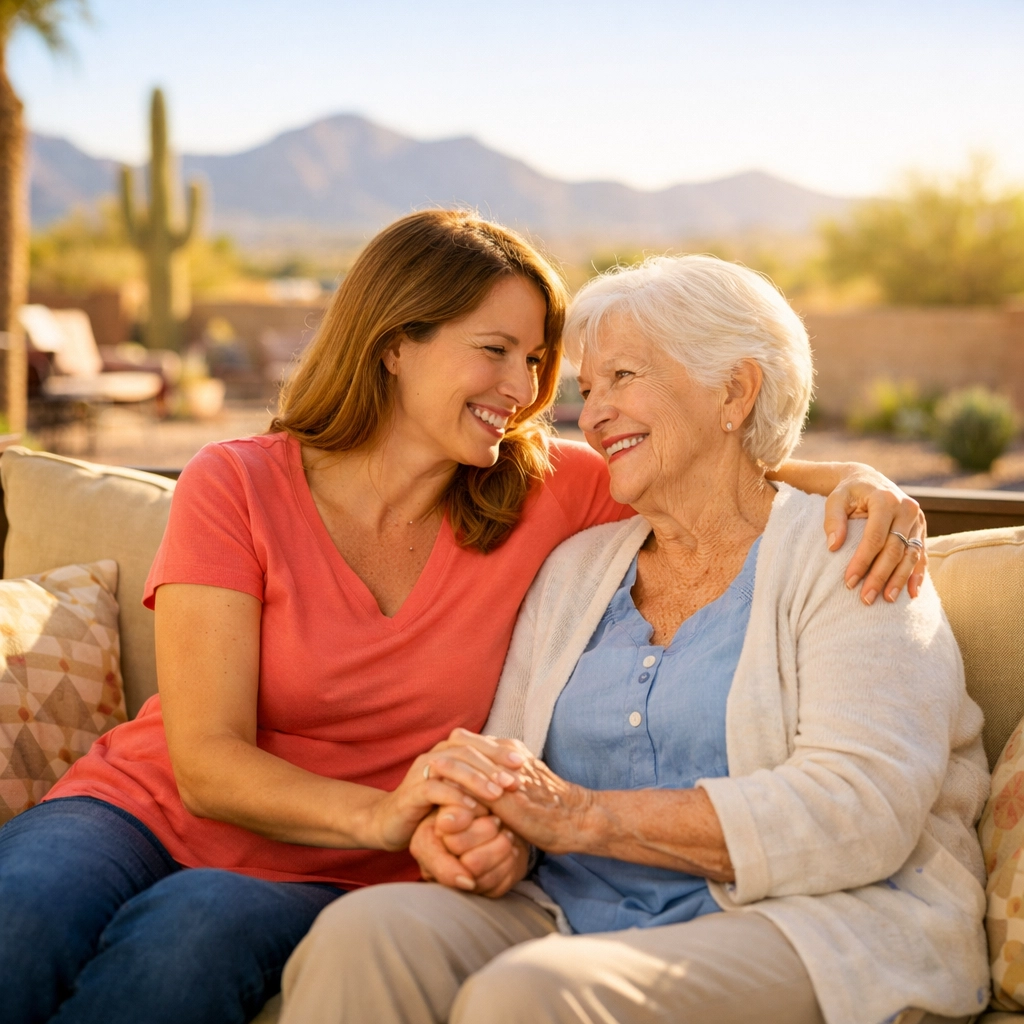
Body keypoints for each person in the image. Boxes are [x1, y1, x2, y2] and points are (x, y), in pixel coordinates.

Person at [0, 214, 925, 1024]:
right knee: (21, 913)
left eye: (537, 361)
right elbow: (205, 763)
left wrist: (859, 482)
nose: (525, 389)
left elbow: (708, 468)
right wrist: (387, 814)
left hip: (344, 866)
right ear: (394, 344)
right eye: (496, 350)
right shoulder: (236, 482)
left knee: (187, 939)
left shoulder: (543, 492)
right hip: (152, 809)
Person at [279, 254, 988, 1024]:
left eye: (623, 377)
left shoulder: (853, 552)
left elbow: (862, 808)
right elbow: (514, 767)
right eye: (589, 390)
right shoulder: (577, 570)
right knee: (364, 934)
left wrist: (583, 816)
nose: (593, 415)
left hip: (810, 922)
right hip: (573, 909)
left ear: (735, 391)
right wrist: (488, 834)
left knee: (532, 993)